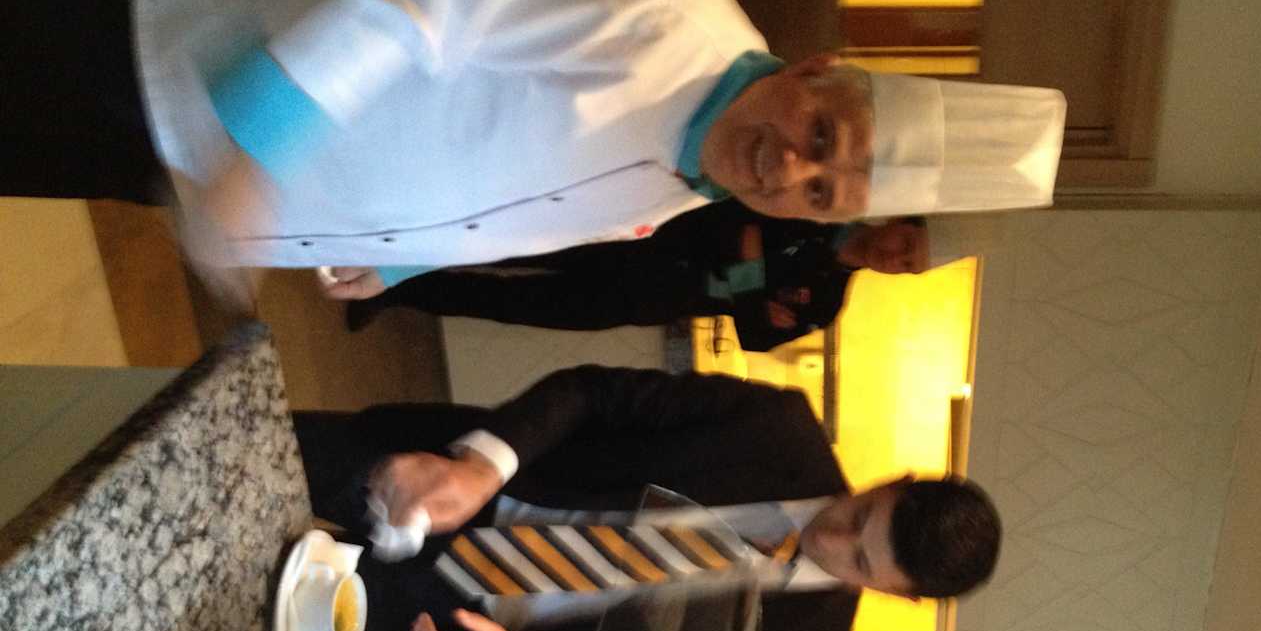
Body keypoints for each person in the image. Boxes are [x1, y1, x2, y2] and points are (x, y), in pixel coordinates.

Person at [3, 0, 1065, 285]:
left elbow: (522, 206)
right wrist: (262, 146)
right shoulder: (662, 2)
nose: (788, 170)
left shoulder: (690, 185)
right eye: (821, 136)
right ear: (819, 70)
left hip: (206, 177)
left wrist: (401, 261)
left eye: (821, 195)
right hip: (174, 50)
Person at [293, 363, 1002, 631]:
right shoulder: (777, 429)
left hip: (464, 617)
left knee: (265, 602)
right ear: (893, 481)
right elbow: (591, 394)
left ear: (895, 594)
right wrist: (482, 467)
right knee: (249, 461)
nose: (834, 535)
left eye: (861, 560)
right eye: (863, 510)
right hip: (446, 472)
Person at [342, 202, 931, 352]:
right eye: (906, 244)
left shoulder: (826, 302)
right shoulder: (818, 213)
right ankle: (390, 245)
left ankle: (397, 290)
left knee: (510, 302)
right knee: (504, 242)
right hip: (644, 237)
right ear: (898, 221)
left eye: (908, 264)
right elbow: (737, 218)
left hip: (647, 298)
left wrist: (748, 268)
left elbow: (755, 336)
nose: (896, 258)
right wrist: (752, 288)